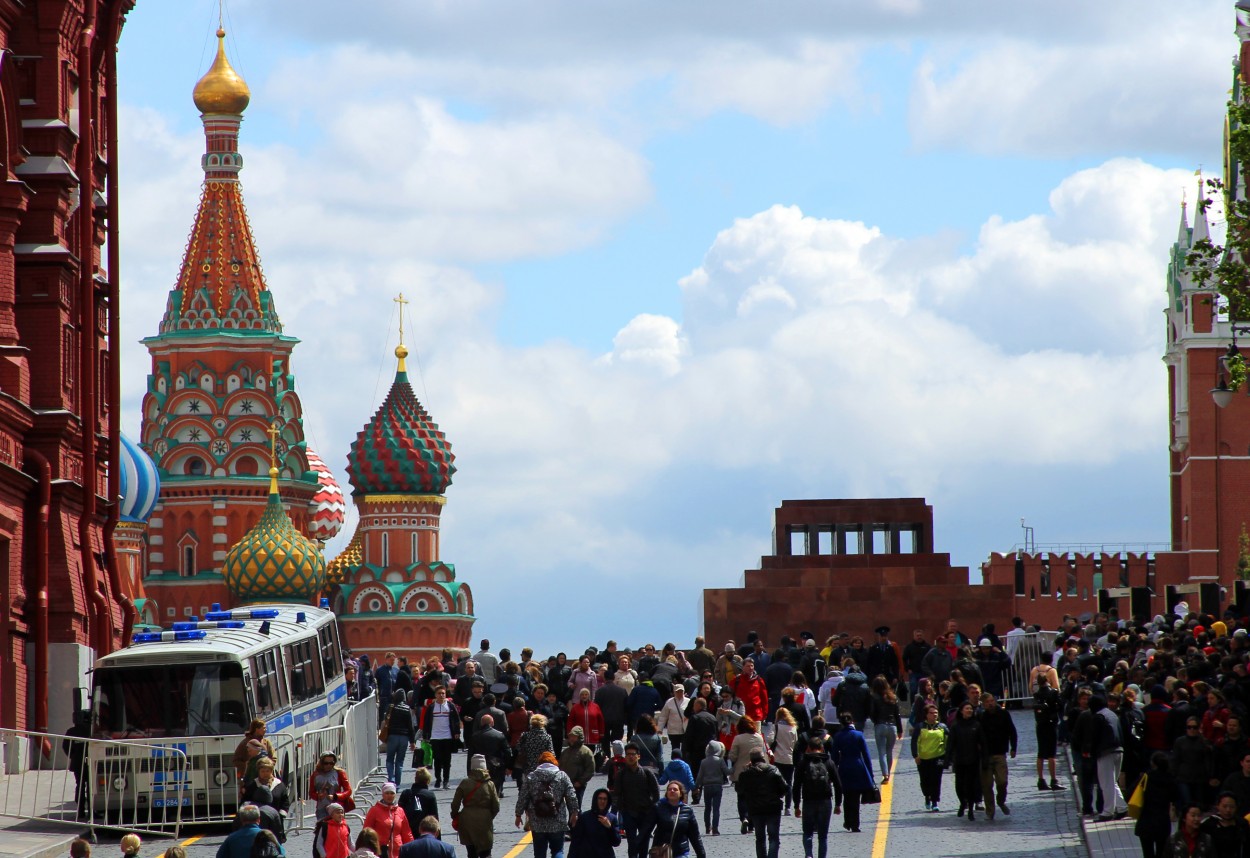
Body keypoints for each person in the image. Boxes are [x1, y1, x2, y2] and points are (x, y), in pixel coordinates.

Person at [514, 750, 577, 858]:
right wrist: (574, 812)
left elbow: (523, 797)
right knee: (558, 851)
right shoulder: (562, 776)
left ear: (539, 763)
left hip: (537, 821)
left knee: (539, 853)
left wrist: (518, 814)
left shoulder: (531, 777)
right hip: (557, 820)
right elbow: (572, 796)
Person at [792, 734, 840, 858]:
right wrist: (838, 804)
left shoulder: (803, 763)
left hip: (808, 801)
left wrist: (796, 805)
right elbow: (838, 784)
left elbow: (796, 785)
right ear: (822, 748)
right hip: (825, 801)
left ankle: (808, 854)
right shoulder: (828, 762)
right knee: (823, 836)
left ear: (808, 748)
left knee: (808, 832)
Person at [736, 747, 787, 858]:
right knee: (774, 838)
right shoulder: (773, 770)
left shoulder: (746, 774)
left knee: (760, 839)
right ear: (763, 757)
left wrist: (744, 773)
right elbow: (785, 787)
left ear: (751, 759)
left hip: (755, 809)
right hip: (773, 808)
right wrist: (778, 794)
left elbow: (739, 790)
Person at [612, 742, 660, 858]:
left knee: (644, 843)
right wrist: (616, 811)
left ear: (638, 756)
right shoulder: (621, 774)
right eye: (628, 754)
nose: (630, 757)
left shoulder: (647, 773)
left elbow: (656, 793)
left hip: (645, 814)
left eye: (633, 754)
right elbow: (616, 794)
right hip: (629, 813)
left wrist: (652, 808)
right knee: (632, 844)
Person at [830, 711, 873, 833]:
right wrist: (870, 773)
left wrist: (834, 771)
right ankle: (855, 824)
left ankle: (847, 821)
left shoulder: (838, 736)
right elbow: (866, 755)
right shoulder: (859, 735)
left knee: (847, 794)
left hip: (844, 766)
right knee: (856, 796)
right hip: (858, 766)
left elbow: (834, 757)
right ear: (852, 722)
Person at [451, 755, 501, 858]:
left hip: (467, 819)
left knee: (471, 852)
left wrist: (455, 815)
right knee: (486, 852)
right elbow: (496, 805)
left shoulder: (465, 783)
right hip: (485, 819)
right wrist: (489, 815)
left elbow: (455, 803)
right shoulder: (490, 784)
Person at [978, 693, 1017, 820]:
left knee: (1002, 781)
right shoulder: (982, 716)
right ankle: (990, 811)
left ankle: (1001, 800)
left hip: (1000, 753)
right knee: (987, 785)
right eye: (987, 702)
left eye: (992, 701)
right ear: (984, 704)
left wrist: (1013, 748)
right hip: (985, 756)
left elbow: (1012, 731)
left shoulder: (1003, 714)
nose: (990, 703)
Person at [1135, 752, 1180, 858]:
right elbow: (1176, 797)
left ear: (1153, 764)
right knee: (1162, 853)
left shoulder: (1146, 777)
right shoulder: (1171, 780)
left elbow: (1130, 793)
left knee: (1147, 853)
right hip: (1162, 822)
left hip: (1145, 821)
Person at [729, 716, 769, 834]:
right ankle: (752, 823)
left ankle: (744, 818)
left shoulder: (738, 738)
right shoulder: (759, 737)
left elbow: (732, 756)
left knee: (741, 797)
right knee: (754, 797)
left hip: (741, 772)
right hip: (756, 771)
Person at [946, 701, 985, 821]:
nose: (969, 711)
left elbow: (983, 743)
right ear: (961, 711)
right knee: (959, 786)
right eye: (967, 709)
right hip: (960, 760)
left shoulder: (976, 725)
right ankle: (963, 802)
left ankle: (971, 809)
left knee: (971, 786)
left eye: (971, 709)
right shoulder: (956, 726)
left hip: (973, 760)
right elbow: (950, 744)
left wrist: (985, 758)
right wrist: (947, 760)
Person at [650, 781, 707, 858]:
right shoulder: (658, 808)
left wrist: (701, 855)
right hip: (661, 852)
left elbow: (695, 836)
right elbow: (646, 830)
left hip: (681, 852)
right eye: (669, 789)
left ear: (681, 793)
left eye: (675, 789)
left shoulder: (687, 810)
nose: (672, 791)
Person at [1032, 660, 1065, 791]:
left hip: (1040, 725)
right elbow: (1060, 706)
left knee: (1041, 753)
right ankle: (1054, 780)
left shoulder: (1037, 695)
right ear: (1048, 680)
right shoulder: (1053, 693)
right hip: (1051, 725)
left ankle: (1041, 780)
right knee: (1052, 754)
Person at [420, 686, 461, 790]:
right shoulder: (431, 707)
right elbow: (426, 722)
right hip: (435, 736)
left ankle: (446, 780)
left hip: (447, 736)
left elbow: (456, 720)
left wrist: (456, 732)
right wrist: (426, 735)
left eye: (443, 693)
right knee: (437, 759)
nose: (441, 695)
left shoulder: (450, 706)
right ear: (435, 695)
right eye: (439, 693)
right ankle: (438, 779)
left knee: (447, 760)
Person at [911, 704, 948, 812]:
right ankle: (927, 796)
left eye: (936, 713)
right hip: (923, 759)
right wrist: (915, 755)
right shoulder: (920, 727)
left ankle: (935, 801)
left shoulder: (942, 727)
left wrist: (948, 756)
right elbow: (914, 742)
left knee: (936, 779)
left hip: (938, 757)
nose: (934, 715)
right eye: (931, 713)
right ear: (926, 715)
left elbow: (948, 741)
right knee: (925, 780)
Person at [363, 783, 414, 858]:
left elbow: (406, 832)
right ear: (383, 794)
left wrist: (412, 848)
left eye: (392, 793)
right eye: (387, 793)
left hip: (398, 853)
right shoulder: (374, 810)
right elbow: (366, 832)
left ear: (395, 795)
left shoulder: (400, 811)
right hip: (380, 853)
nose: (389, 795)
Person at [569, 787, 621, 858]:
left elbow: (616, 842)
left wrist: (610, 827)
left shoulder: (612, 818)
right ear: (595, 800)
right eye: (600, 798)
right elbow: (575, 841)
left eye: (605, 799)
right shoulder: (584, 817)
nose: (602, 801)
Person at [868, 677, 902, 783]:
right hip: (892, 726)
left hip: (880, 725)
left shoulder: (874, 697)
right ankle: (889, 772)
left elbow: (872, 712)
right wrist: (900, 730)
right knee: (889, 751)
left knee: (881, 752)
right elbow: (897, 715)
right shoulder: (892, 697)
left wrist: (875, 721)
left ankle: (885, 774)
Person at [694, 740, 729, 837]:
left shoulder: (704, 761)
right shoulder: (720, 760)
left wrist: (696, 786)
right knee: (716, 809)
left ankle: (707, 827)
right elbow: (727, 772)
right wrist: (735, 769)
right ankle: (715, 829)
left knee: (707, 808)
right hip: (717, 786)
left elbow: (700, 776)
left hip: (707, 787)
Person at [1199, 792, 1249, 858]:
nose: (1228, 810)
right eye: (1224, 806)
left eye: (1232, 807)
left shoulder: (1242, 824)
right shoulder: (1208, 824)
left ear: (1236, 807)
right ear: (1218, 806)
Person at [384, 690, 417, 787]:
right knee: (400, 761)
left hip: (392, 736)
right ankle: (397, 784)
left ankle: (391, 779)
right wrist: (412, 741)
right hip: (404, 737)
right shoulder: (407, 709)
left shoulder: (391, 707)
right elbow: (410, 726)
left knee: (389, 759)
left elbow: (386, 720)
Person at [559, 726, 597, 809]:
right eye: (570, 736)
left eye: (574, 736)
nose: (571, 739)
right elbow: (560, 766)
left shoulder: (585, 751)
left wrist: (580, 782)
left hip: (577, 785)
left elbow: (590, 769)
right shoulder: (565, 752)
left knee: (576, 808)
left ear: (579, 737)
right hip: (565, 784)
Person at [311, 753, 355, 820]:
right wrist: (318, 796)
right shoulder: (315, 774)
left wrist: (336, 796)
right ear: (321, 762)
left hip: (337, 807)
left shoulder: (339, 772)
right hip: (322, 807)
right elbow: (311, 792)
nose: (329, 765)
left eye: (331, 763)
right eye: (326, 763)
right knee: (323, 828)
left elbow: (348, 790)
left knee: (338, 828)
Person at [770, 706, 797, 814]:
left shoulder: (776, 726)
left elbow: (770, 740)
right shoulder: (793, 728)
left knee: (775, 782)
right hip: (789, 758)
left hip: (777, 757)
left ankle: (776, 804)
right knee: (789, 782)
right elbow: (795, 743)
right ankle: (788, 807)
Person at [516, 713, 556, 780]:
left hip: (528, 767)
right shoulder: (547, 737)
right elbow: (551, 753)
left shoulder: (525, 736)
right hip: (542, 767)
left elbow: (518, 748)